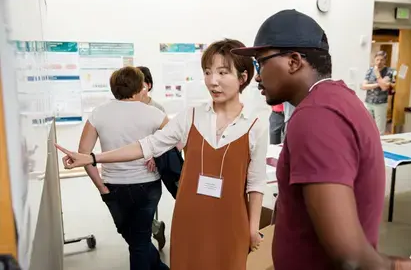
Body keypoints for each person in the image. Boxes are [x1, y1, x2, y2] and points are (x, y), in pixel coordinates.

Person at [55, 39, 267, 270]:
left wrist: (253, 227)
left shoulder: (255, 125)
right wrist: (92, 158)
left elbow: (255, 182)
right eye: (207, 72)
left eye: (222, 72)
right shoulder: (191, 117)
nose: (212, 81)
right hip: (190, 217)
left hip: (231, 220)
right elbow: (146, 146)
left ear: (243, 77)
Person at [231, 9, 411, 270]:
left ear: (294, 61)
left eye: (261, 62)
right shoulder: (335, 100)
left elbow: (351, 257)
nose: (257, 75)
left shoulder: (316, 117)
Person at [78, 66, 169, 270]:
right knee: (139, 240)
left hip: (113, 186)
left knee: (136, 241)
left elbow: (84, 154)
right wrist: (155, 154)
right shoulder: (154, 113)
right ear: (140, 86)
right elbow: (177, 144)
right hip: (148, 186)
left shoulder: (99, 113)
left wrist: (101, 187)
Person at [136, 65, 166, 251]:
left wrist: (155, 157)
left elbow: (165, 138)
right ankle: (155, 227)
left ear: (149, 85)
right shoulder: (126, 107)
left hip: (150, 167)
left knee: (145, 210)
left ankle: (151, 229)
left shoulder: (157, 108)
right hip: (130, 165)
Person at [361, 51, 395, 135]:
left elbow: (383, 88)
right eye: (377, 59)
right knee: (367, 126)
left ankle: (381, 147)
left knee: (380, 130)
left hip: (380, 103)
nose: (379, 62)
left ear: (385, 61)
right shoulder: (370, 70)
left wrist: (377, 75)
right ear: (374, 60)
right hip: (368, 102)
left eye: (382, 60)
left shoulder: (389, 71)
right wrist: (379, 84)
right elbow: (363, 86)